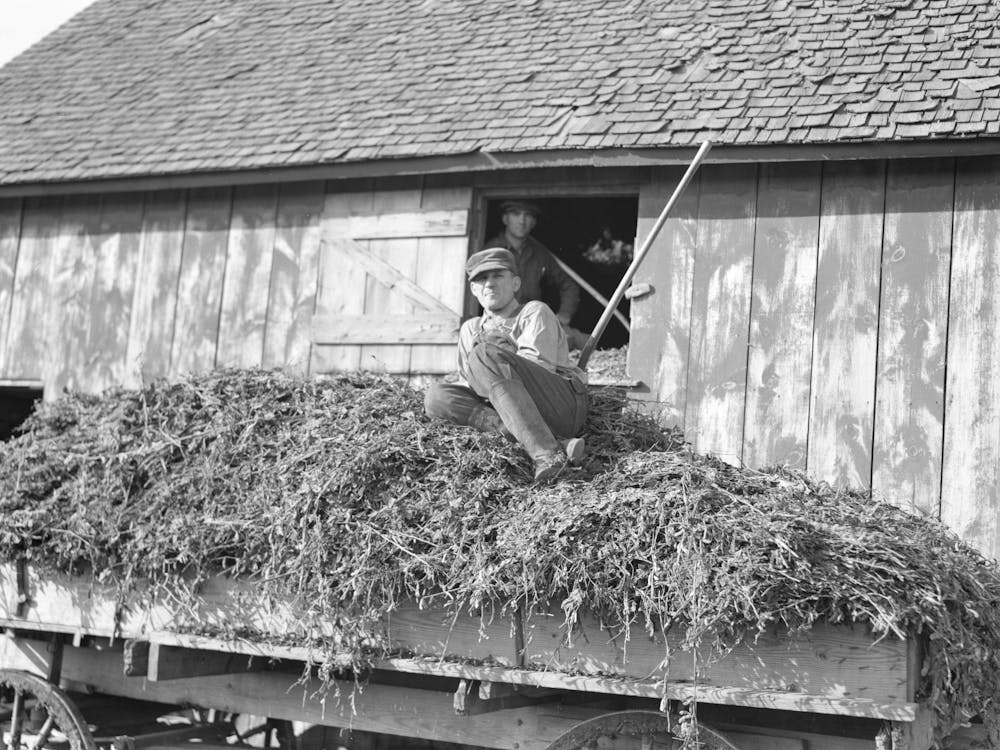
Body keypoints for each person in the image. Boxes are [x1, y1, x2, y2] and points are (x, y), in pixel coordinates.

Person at [424, 248, 590, 482]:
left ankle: (548, 455)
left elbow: (539, 369)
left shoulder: (533, 312)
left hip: (560, 404)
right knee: (437, 397)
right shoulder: (470, 329)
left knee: (483, 354)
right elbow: (470, 385)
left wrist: (494, 354)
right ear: (474, 290)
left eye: (497, 276)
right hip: (511, 411)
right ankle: (555, 443)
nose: (489, 284)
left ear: (515, 283)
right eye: (481, 279)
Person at [484, 200, 589, 350]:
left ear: (533, 222)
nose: (522, 221)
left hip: (534, 319)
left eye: (528, 216)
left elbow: (568, 285)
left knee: (585, 342)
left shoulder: (540, 253)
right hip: (500, 321)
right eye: (516, 214)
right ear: (505, 219)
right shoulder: (490, 251)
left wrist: (564, 314)